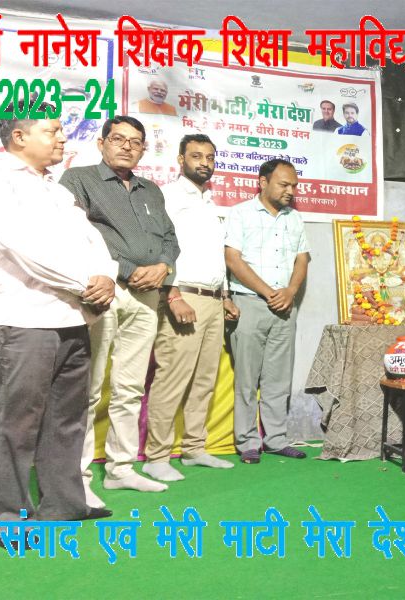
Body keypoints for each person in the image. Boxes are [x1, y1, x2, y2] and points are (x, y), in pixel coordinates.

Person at [0, 99, 116, 545]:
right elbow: (22, 247)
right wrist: (85, 283)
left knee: (67, 419)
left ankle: (63, 505)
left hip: (71, 317)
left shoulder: (57, 189)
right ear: (18, 137)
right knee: (16, 422)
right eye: (51, 130)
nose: (62, 138)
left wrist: (106, 275)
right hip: (21, 318)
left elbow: (92, 239)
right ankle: (7, 516)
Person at [60, 115, 180, 506]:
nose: (127, 146)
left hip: (146, 298)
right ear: (101, 143)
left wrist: (163, 266)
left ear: (143, 149)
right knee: (89, 389)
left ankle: (121, 469)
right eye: (118, 139)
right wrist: (127, 270)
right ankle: (76, 477)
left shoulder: (151, 190)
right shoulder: (79, 179)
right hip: (103, 293)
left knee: (130, 388)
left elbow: (169, 239)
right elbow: (76, 235)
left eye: (135, 141)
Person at [143, 134, 240, 482]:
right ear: (180, 160)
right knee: (172, 378)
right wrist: (172, 295)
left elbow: (214, 254)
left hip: (213, 299)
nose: (204, 162)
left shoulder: (211, 203)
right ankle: (156, 457)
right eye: (196, 156)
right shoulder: (166, 196)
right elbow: (158, 248)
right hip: (182, 296)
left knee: (204, 380)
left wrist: (225, 294)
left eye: (210, 157)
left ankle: (195, 448)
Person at [224, 159, 310, 464]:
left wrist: (290, 292)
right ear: (263, 182)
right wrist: (267, 292)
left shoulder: (295, 219)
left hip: (285, 307)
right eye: (284, 184)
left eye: (294, 186)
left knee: (278, 378)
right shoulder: (240, 213)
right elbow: (233, 260)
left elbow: (302, 260)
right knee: (247, 379)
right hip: (249, 303)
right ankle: (247, 441)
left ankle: (276, 439)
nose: (291, 191)